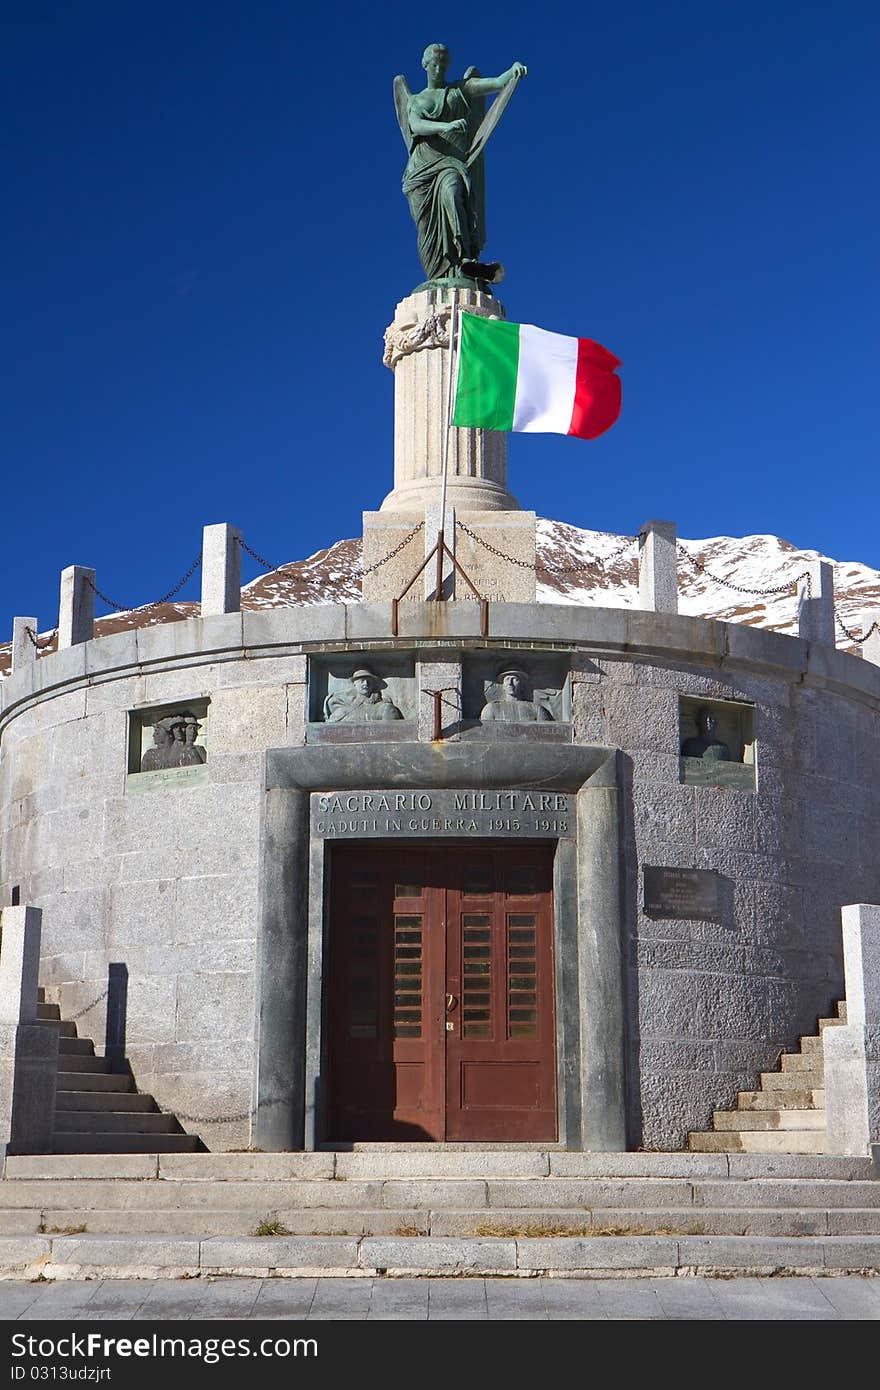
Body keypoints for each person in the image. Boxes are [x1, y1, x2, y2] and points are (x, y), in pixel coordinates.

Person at [397, 45, 527, 283]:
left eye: (442, 65)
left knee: (453, 192)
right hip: (422, 171)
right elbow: (415, 125)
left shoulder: (460, 90)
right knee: (427, 230)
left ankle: (465, 259)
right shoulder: (415, 100)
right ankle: (441, 272)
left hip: (450, 165)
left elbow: (497, 82)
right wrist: (445, 126)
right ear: (425, 65)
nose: (438, 69)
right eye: (434, 64)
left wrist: (512, 72)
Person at [324, 669, 404, 724]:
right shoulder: (343, 707)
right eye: (362, 681)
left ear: (373, 685)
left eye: (368, 681)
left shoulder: (384, 708)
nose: (365, 683)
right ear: (355, 684)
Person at [480, 667, 551, 723]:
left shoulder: (536, 709)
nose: (510, 683)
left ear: (522, 685)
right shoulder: (491, 708)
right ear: (503, 686)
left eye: (514, 679)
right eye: (507, 679)